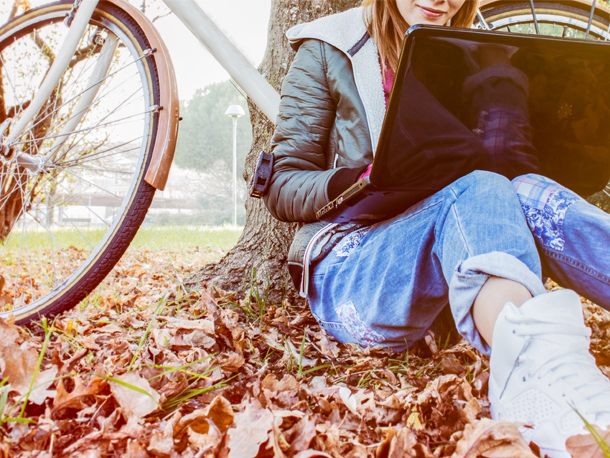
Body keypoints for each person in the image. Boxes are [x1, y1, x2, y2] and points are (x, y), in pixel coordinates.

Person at [262, 1, 610, 456]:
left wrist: (500, 85)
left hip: (462, 242)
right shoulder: (330, 46)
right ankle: (538, 375)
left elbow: (501, 173)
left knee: (525, 189)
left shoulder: (471, 53)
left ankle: (537, 359)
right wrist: (363, 179)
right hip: (353, 259)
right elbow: (283, 183)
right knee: (483, 188)